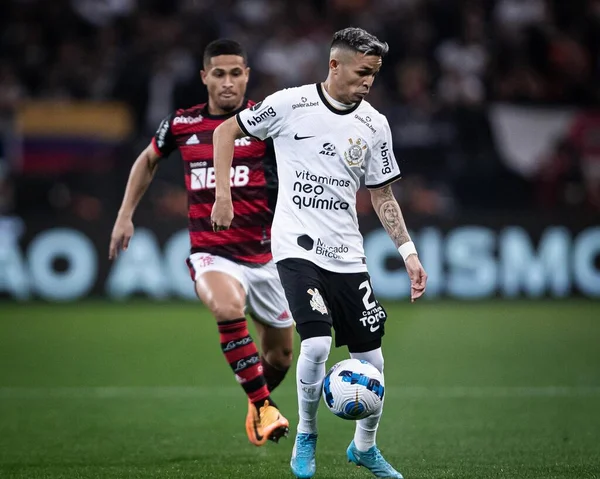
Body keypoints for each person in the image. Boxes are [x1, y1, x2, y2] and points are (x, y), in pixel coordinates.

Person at [211, 28, 428, 479]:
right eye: (363, 72)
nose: (369, 81)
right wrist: (224, 196)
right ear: (335, 65)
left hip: (348, 253)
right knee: (316, 342)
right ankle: (306, 437)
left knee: (374, 363)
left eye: (375, 74)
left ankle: (364, 447)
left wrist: (408, 251)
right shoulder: (291, 104)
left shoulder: (375, 125)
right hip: (295, 245)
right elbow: (226, 130)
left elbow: (383, 196)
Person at [109, 39, 293, 446]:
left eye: (236, 73)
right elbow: (147, 160)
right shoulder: (182, 124)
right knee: (227, 308)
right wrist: (125, 216)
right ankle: (264, 407)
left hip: (266, 256)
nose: (228, 82)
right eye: (219, 73)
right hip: (212, 252)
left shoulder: (266, 121)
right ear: (204, 77)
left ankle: (256, 399)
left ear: (247, 76)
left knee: (280, 357)